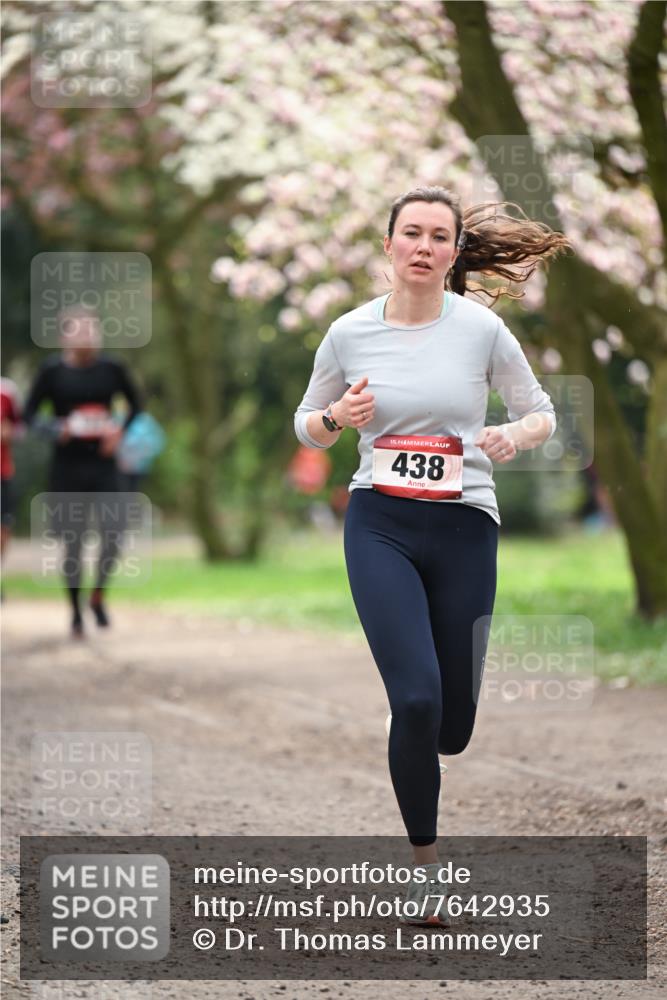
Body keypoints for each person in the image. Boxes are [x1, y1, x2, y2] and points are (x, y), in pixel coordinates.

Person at [294, 186, 571, 923]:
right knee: (415, 701)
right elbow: (307, 422)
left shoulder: (480, 330)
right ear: (388, 245)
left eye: (438, 236)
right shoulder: (349, 332)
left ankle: (428, 740)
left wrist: (514, 435)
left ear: (453, 252)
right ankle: (425, 870)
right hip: (379, 521)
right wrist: (334, 417)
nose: (423, 246)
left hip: (464, 526)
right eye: (410, 233)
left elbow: (540, 412)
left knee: (452, 726)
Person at [23, 305, 143, 637]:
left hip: (104, 466)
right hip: (67, 468)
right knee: (73, 543)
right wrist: (54, 429)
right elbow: (29, 414)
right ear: (65, 337)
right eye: (80, 331)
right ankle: (75, 612)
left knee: (114, 534)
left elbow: (136, 405)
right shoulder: (52, 372)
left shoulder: (112, 369)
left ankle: (98, 595)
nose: (88, 336)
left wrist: (119, 432)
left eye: (92, 330)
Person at [1, 377, 22, 585]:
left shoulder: (6, 391)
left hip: (2, 472)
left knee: (3, 528)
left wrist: (9, 432)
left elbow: (20, 428)